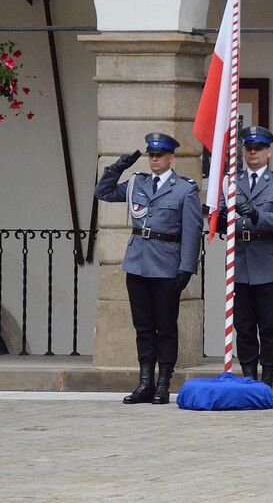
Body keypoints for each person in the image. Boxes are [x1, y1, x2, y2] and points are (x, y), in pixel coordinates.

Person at [94, 132, 202, 405]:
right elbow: (103, 192)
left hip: (167, 265)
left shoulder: (184, 189)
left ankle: (164, 382)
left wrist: (187, 267)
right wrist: (119, 166)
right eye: (151, 155)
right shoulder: (137, 183)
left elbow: (192, 231)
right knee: (142, 326)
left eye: (159, 155)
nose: (154, 159)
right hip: (138, 263)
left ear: (170, 158)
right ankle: (145, 382)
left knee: (165, 326)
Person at [219, 126, 273, 388]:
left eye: (258, 149)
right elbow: (220, 216)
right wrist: (219, 217)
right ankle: (249, 374)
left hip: (268, 260)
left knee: (270, 324)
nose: (253, 152)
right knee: (244, 324)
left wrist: (256, 215)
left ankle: (269, 375)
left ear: (268, 152)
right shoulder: (232, 181)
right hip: (240, 260)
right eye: (249, 148)